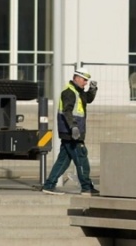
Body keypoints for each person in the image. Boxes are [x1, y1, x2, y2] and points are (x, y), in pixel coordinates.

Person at [41, 66, 99, 196]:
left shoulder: (78, 91)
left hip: (70, 132)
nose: (86, 83)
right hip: (72, 133)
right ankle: (86, 188)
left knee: (63, 161)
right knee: (82, 159)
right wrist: (73, 127)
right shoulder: (69, 92)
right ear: (77, 78)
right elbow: (67, 111)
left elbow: (87, 99)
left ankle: (49, 185)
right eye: (84, 80)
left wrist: (92, 90)